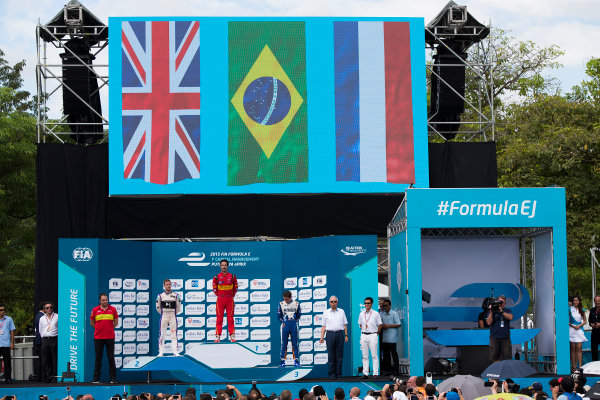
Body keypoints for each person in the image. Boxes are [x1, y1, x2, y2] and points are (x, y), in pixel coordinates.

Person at [90, 293, 118, 383]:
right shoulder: (95, 310)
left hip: (110, 337)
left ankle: (113, 379)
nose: (105, 301)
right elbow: (92, 322)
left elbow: (116, 323)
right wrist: (99, 329)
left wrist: (108, 329)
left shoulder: (113, 309)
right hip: (98, 338)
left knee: (111, 358)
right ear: (100, 301)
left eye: (106, 300)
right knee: (98, 358)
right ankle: (96, 379)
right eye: (103, 300)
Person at [320, 295, 348, 379]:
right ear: (329, 303)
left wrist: (346, 335)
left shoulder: (342, 311)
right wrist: (321, 337)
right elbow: (323, 326)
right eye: (331, 302)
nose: (333, 303)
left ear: (337, 303)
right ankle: (332, 375)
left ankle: (339, 374)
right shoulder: (326, 312)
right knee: (331, 356)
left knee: (339, 356)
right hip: (330, 335)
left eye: (335, 301)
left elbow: (345, 324)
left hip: (339, 334)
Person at [212, 259, 238, 342]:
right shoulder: (216, 277)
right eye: (222, 265)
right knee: (219, 318)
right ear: (220, 266)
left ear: (227, 266)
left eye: (225, 265)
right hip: (220, 299)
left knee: (230, 318)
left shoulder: (232, 276)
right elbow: (215, 289)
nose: (224, 267)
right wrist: (220, 296)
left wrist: (231, 296)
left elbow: (235, 288)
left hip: (230, 299)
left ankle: (232, 336)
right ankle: (217, 336)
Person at [155, 279, 182, 356]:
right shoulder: (160, 296)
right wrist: (163, 312)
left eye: (169, 284)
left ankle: (175, 351)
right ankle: (161, 352)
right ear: (164, 286)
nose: (168, 286)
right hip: (164, 316)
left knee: (174, 334)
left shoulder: (176, 295)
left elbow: (178, 307)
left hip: (173, 316)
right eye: (167, 284)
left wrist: (173, 313)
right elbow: (158, 307)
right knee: (162, 334)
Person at [358, 296, 382, 377]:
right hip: (364, 335)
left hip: (373, 335)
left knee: (374, 355)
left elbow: (380, 325)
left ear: (371, 304)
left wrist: (375, 333)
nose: (366, 304)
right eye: (365, 303)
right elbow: (360, 325)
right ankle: (365, 373)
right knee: (364, 356)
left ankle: (375, 373)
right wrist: (365, 331)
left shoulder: (375, 313)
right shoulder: (361, 314)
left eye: (368, 303)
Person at [485, 295, 513, 362]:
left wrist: (502, 312)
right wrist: (491, 312)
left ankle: (506, 370)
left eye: (502, 302)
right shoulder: (493, 311)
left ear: (505, 304)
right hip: (494, 337)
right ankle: (496, 371)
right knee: (494, 356)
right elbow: (488, 322)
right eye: (499, 302)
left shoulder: (507, 310)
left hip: (505, 337)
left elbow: (510, 317)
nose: (500, 304)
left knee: (507, 355)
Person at [277, 290, 301, 367]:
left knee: (295, 344)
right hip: (285, 325)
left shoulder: (296, 304)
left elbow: (299, 315)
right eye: (284, 299)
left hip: (293, 325)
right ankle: (282, 361)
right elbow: (278, 316)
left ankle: (296, 361)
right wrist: (284, 322)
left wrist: (294, 321)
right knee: (284, 344)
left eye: (287, 299)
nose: (285, 300)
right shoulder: (281, 304)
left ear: (290, 297)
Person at [379, 299, 401, 374]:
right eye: (383, 306)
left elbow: (398, 324)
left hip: (392, 338)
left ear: (390, 306)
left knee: (394, 354)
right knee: (386, 355)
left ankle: (396, 370)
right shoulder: (383, 314)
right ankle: (387, 370)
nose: (384, 307)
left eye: (386, 305)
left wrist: (388, 326)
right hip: (385, 338)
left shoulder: (394, 313)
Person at [39, 302, 58, 382]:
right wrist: (44, 336)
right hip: (45, 339)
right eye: (47, 308)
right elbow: (40, 330)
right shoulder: (42, 318)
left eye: (50, 307)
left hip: (54, 339)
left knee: (54, 359)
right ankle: (48, 376)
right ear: (44, 309)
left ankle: (54, 376)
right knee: (46, 359)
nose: (49, 309)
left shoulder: (57, 316)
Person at [569, 295, 587, 370]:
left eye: (576, 300)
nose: (575, 302)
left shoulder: (582, 309)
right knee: (573, 348)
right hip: (571, 329)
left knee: (579, 348)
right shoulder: (569, 309)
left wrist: (579, 326)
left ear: (579, 301)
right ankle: (573, 366)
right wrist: (573, 326)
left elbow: (585, 321)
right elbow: (567, 320)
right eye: (574, 300)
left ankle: (580, 366)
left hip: (579, 330)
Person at [0, 305, 16, 384]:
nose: (3, 311)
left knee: (7, 362)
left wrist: (12, 343)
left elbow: (12, 331)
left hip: (6, 344)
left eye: (4, 309)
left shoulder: (9, 319)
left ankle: (8, 378)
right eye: (1, 310)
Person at [33, 302, 45, 381]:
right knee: (42, 359)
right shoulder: (42, 317)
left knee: (40, 359)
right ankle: (41, 376)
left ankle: (40, 376)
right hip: (41, 340)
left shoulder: (37, 316)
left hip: (38, 340)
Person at [588, 296, 600, 361]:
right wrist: (591, 324)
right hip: (594, 333)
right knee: (594, 351)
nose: (597, 302)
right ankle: (594, 365)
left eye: (599, 300)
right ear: (594, 301)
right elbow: (589, 321)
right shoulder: (592, 310)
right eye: (596, 301)